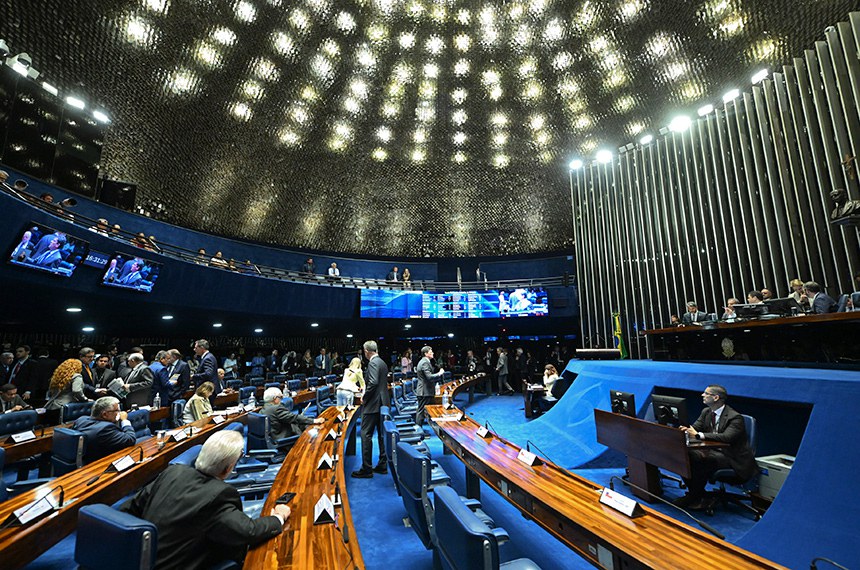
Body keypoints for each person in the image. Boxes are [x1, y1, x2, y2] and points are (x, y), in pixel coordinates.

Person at [120, 430, 289, 569]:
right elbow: (248, 531)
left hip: (138, 559)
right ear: (228, 468)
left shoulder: (173, 472)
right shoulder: (220, 494)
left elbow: (129, 508)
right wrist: (278, 517)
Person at [677, 385, 757, 510]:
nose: (702, 395)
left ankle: (696, 496)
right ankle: (696, 494)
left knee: (700, 461)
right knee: (686, 456)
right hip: (713, 451)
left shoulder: (735, 417)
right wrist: (687, 430)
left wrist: (699, 435)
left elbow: (727, 437)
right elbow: (695, 428)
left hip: (732, 457)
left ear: (715, 398)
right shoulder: (706, 412)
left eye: (706, 393)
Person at [351, 340, 389, 478]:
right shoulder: (382, 362)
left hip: (372, 404)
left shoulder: (373, 363)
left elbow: (373, 382)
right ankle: (383, 465)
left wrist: (364, 397)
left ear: (366, 351)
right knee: (382, 435)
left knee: (365, 435)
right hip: (383, 403)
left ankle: (366, 469)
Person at [73, 396, 137, 463]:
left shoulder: (81, 419)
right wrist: (124, 420)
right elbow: (130, 439)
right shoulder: (105, 429)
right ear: (105, 414)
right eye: (117, 410)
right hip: (98, 461)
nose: (119, 413)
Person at [45, 358, 91, 423]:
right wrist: (85, 399)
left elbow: (50, 392)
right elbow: (76, 390)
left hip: (51, 406)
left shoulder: (58, 376)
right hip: (65, 408)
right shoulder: (77, 376)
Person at [415, 346, 445, 427]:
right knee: (421, 412)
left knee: (426, 411)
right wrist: (439, 373)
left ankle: (421, 429)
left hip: (426, 390)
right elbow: (429, 377)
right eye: (431, 352)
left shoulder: (425, 361)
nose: (433, 353)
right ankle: (418, 430)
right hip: (424, 391)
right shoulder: (424, 362)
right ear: (426, 354)